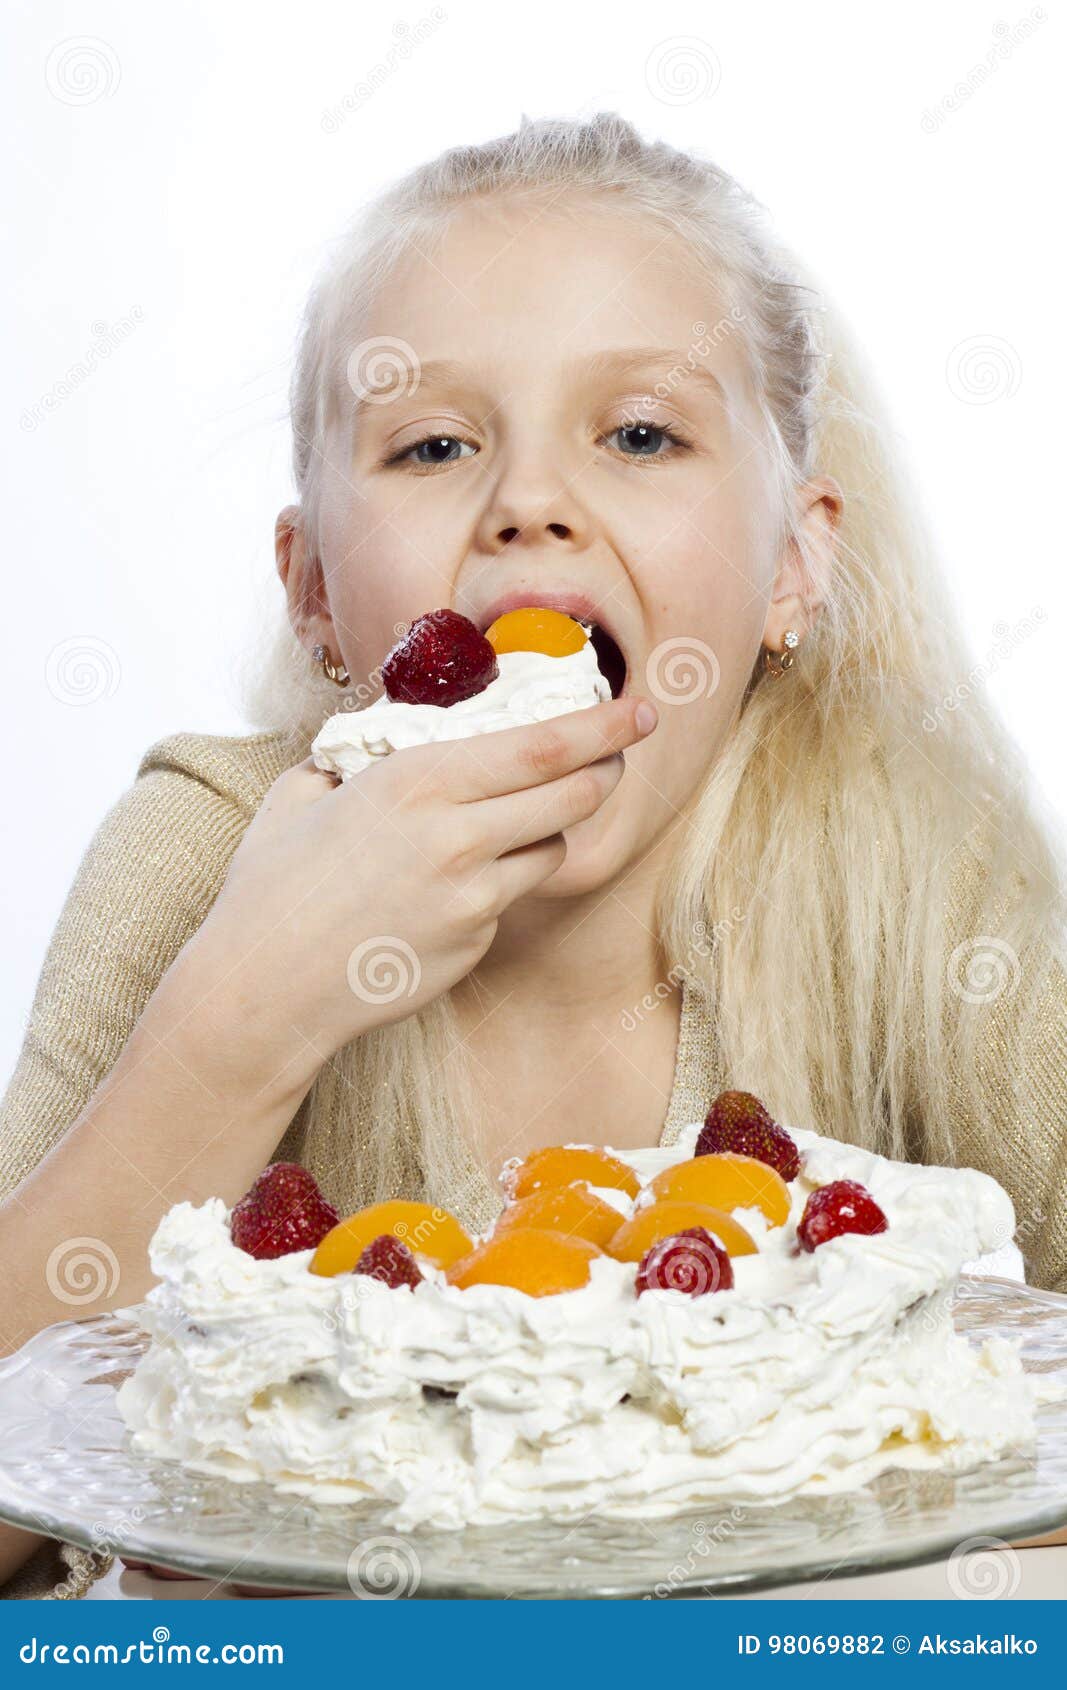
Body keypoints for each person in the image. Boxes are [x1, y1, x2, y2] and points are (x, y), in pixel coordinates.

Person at [2, 112, 1065, 1597]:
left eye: (640, 434)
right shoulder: (206, 851)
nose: (527, 502)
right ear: (314, 593)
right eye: (434, 445)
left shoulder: (913, 878)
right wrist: (244, 1014)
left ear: (793, 563)